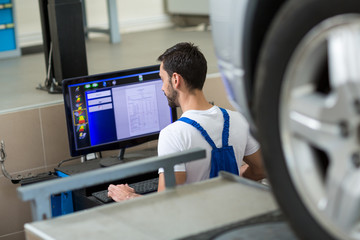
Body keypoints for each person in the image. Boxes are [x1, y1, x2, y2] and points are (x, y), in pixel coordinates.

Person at [107, 42, 265, 202]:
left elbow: (165, 204)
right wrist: (229, 181)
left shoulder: (173, 135)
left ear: (175, 79)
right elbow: (261, 169)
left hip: (199, 224)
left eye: (163, 79)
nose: (162, 88)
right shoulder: (238, 120)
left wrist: (127, 196)